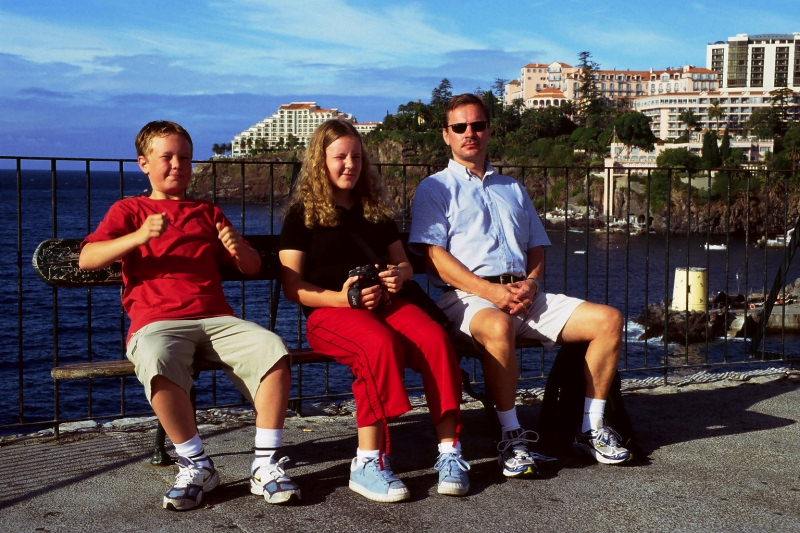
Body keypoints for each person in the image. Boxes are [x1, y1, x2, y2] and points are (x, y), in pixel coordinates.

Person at [79, 121, 300, 511]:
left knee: (272, 348)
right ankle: (197, 464)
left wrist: (237, 248)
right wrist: (139, 236)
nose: (177, 165)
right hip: (158, 322)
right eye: (167, 157)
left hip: (216, 318)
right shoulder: (129, 210)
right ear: (144, 163)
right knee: (155, 357)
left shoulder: (207, 212)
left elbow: (250, 266)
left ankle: (265, 464)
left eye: (184, 158)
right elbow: (87, 259)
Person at [409, 94, 631, 478]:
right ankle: (511, 436)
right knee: (498, 325)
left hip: (523, 295)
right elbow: (434, 257)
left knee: (608, 320)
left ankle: (591, 427)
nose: (469, 133)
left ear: (489, 130)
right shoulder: (435, 188)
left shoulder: (512, 187)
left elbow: (536, 247)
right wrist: (491, 292)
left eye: (477, 125)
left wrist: (531, 282)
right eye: (460, 127)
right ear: (446, 135)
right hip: (466, 299)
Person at [278, 119, 469, 502]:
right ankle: (368, 461)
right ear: (320, 161)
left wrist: (398, 276)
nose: (350, 164)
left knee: (434, 340)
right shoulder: (302, 215)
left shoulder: (374, 211)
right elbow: (293, 287)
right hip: (330, 314)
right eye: (340, 157)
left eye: (356, 157)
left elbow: (405, 265)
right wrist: (344, 298)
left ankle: (450, 451)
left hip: (384, 303)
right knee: (377, 345)